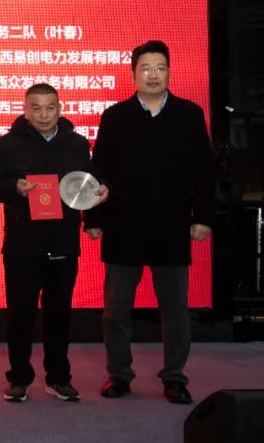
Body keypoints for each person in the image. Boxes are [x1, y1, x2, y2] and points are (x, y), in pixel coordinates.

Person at [84, 40, 215, 405]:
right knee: (116, 309)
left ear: (169, 72)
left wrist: (203, 217)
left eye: (160, 68)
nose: (153, 75)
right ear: (133, 74)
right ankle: (119, 374)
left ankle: (174, 377)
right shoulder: (115, 116)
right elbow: (99, 171)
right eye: (145, 68)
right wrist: (92, 218)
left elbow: (204, 172)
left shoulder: (189, 115)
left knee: (175, 310)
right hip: (123, 224)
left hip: (171, 225)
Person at [0, 83, 108, 403]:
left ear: (60, 109)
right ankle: (19, 378)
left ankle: (59, 379)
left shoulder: (77, 144)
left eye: (50, 107)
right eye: (36, 108)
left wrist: (101, 191)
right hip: (23, 245)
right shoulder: (7, 145)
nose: (44, 114)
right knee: (20, 314)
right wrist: (14, 187)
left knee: (59, 314)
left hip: (64, 242)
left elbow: (90, 180)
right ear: (25, 110)